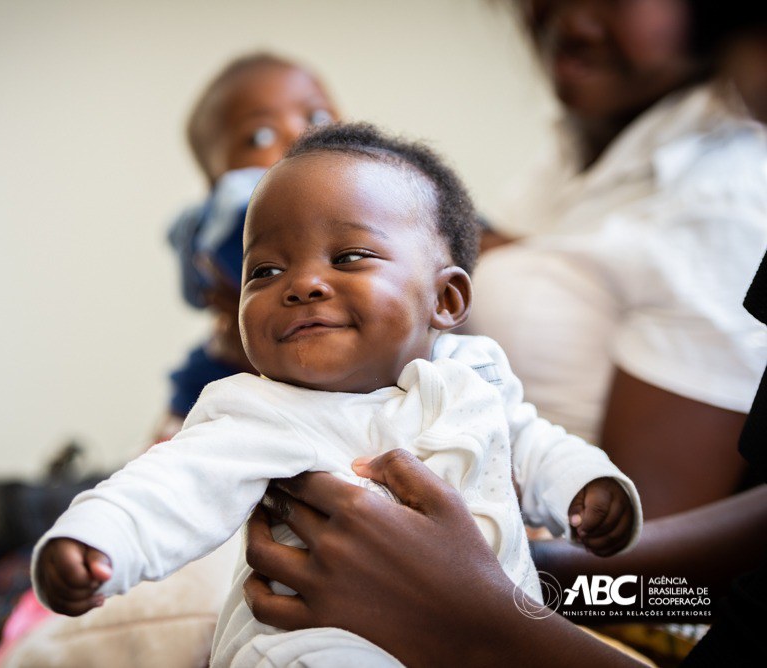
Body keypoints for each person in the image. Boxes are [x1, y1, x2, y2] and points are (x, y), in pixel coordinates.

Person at [242, 1, 767, 665]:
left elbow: (673, 592)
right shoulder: (566, 166)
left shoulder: (727, 196)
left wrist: (501, 584)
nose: (570, 20)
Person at [32, 122, 643, 667]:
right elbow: (171, 485)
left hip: (488, 632)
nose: (302, 285)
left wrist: (586, 486)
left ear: (446, 300)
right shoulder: (256, 409)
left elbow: (531, 445)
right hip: (311, 644)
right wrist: (96, 538)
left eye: (348, 257)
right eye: (265, 271)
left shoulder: (476, 374)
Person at [154, 51, 339, 443]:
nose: (298, 136)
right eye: (259, 136)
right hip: (237, 371)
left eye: (317, 117)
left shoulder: (379, 194)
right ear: (218, 181)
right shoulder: (239, 211)